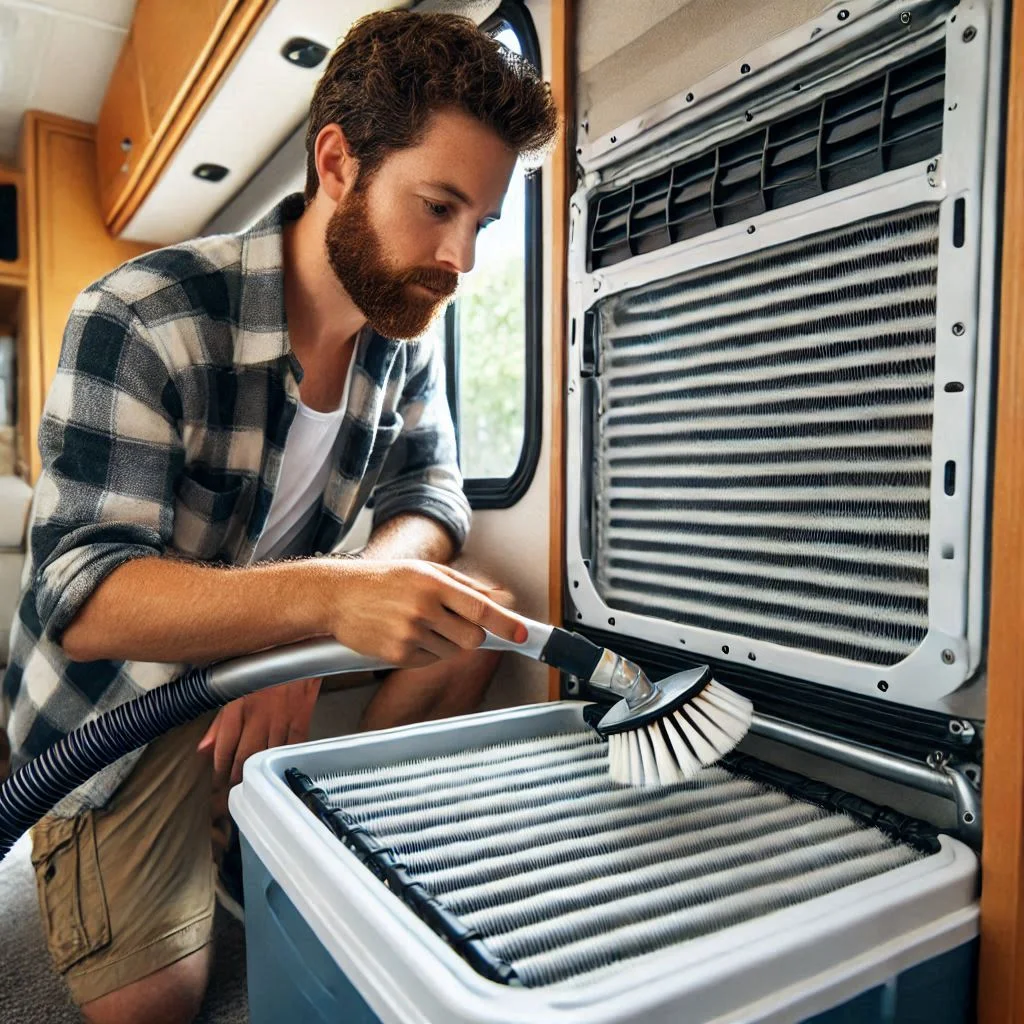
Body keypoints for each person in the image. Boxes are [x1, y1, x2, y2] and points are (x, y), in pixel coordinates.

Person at [0, 10, 558, 1023]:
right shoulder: (140, 314)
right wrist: (323, 605)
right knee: (161, 1006)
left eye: (478, 224)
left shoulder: (399, 343)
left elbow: (428, 500)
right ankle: (214, 828)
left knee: (475, 610)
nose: (460, 259)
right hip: (120, 707)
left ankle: (301, 832)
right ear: (338, 162)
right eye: (437, 206)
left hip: (264, 654)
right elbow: (82, 595)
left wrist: (313, 631)